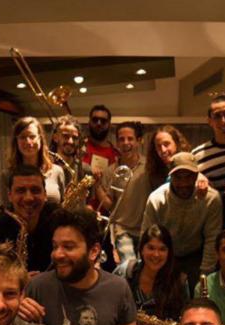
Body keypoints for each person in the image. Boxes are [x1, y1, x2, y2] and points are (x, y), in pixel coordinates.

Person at [142, 152, 222, 287]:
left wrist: (204, 276)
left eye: (188, 177)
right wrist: (148, 270)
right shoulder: (157, 199)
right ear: (171, 177)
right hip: (164, 255)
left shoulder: (211, 199)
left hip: (196, 255)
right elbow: (146, 237)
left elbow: (212, 238)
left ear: (196, 176)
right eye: (178, 177)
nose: (183, 183)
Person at [0, 165, 58, 275]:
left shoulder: (58, 221)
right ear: (10, 196)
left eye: (35, 190)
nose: (28, 198)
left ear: (45, 195)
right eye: (21, 191)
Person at [97, 121, 149, 264]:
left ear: (139, 141)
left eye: (130, 139)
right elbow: (109, 205)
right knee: (129, 265)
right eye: (121, 139)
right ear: (117, 143)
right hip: (122, 230)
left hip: (146, 229)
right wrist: (97, 185)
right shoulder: (111, 171)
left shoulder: (149, 167)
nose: (125, 143)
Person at [114, 224, 189, 321]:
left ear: (169, 253)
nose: (156, 254)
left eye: (162, 249)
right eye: (151, 248)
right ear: (142, 250)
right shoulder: (125, 272)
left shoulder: (179, 281)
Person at [0, 117, 66, 204]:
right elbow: (7, 209)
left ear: (40, 139)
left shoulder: (57, 172)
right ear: (16, 142)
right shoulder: (7, 175)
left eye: (32, 136)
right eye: (22, 137)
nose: (28, 142)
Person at [145, 125, 191, 192]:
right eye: (158, 146)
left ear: (176, 143)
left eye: (166, 144)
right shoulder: (153, 174)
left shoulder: (190, 167)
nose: (163, 150)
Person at [82, 105, 120, 178]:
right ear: (89, 123)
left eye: (103, 121)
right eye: (95, 120)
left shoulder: (117, 155)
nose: (99, 123)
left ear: (109, 125)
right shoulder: (77, 148)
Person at [51, 115, 87, 187]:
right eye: (65, 136)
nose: (71, 141)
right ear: (55, 138)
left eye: (75, 138)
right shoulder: (45, 167)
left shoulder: (85, 170)